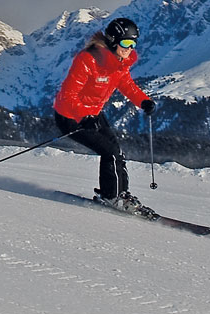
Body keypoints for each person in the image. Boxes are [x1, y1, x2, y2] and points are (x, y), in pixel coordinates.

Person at [52, 17, 158, 217]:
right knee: (109, 151)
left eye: (134, 44)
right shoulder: (88, 60)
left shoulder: (119, 62)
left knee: (116, 151)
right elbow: (68, 95)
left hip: (93, 113)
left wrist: (143, 101)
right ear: (112, 40)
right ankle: (113, 196)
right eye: (126, 43)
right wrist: (83, 116)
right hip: (70, 115)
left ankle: (120, 193)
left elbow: (126, 84)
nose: (130, 48)